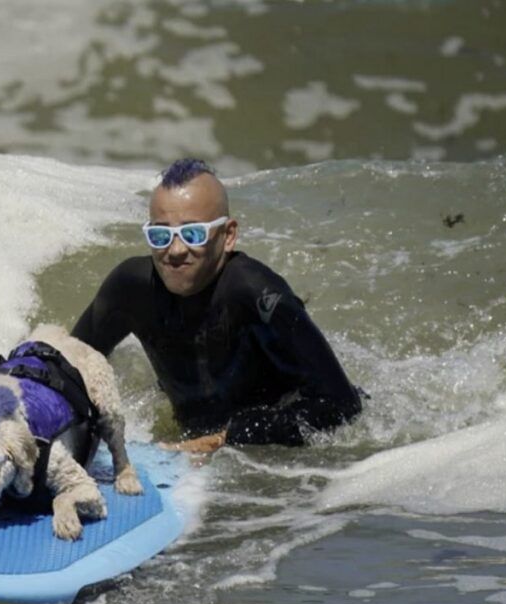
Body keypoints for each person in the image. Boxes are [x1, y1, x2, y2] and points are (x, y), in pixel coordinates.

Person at [71, 159, 362, 452]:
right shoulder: (130, 288)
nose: (175, 251)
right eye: (160, 235)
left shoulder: (255, 293)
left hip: (272, 458)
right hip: (194, 439)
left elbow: (342, 404)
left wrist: (224, 439)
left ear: (228, 235)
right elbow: (71, 360)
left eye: (192, 234)